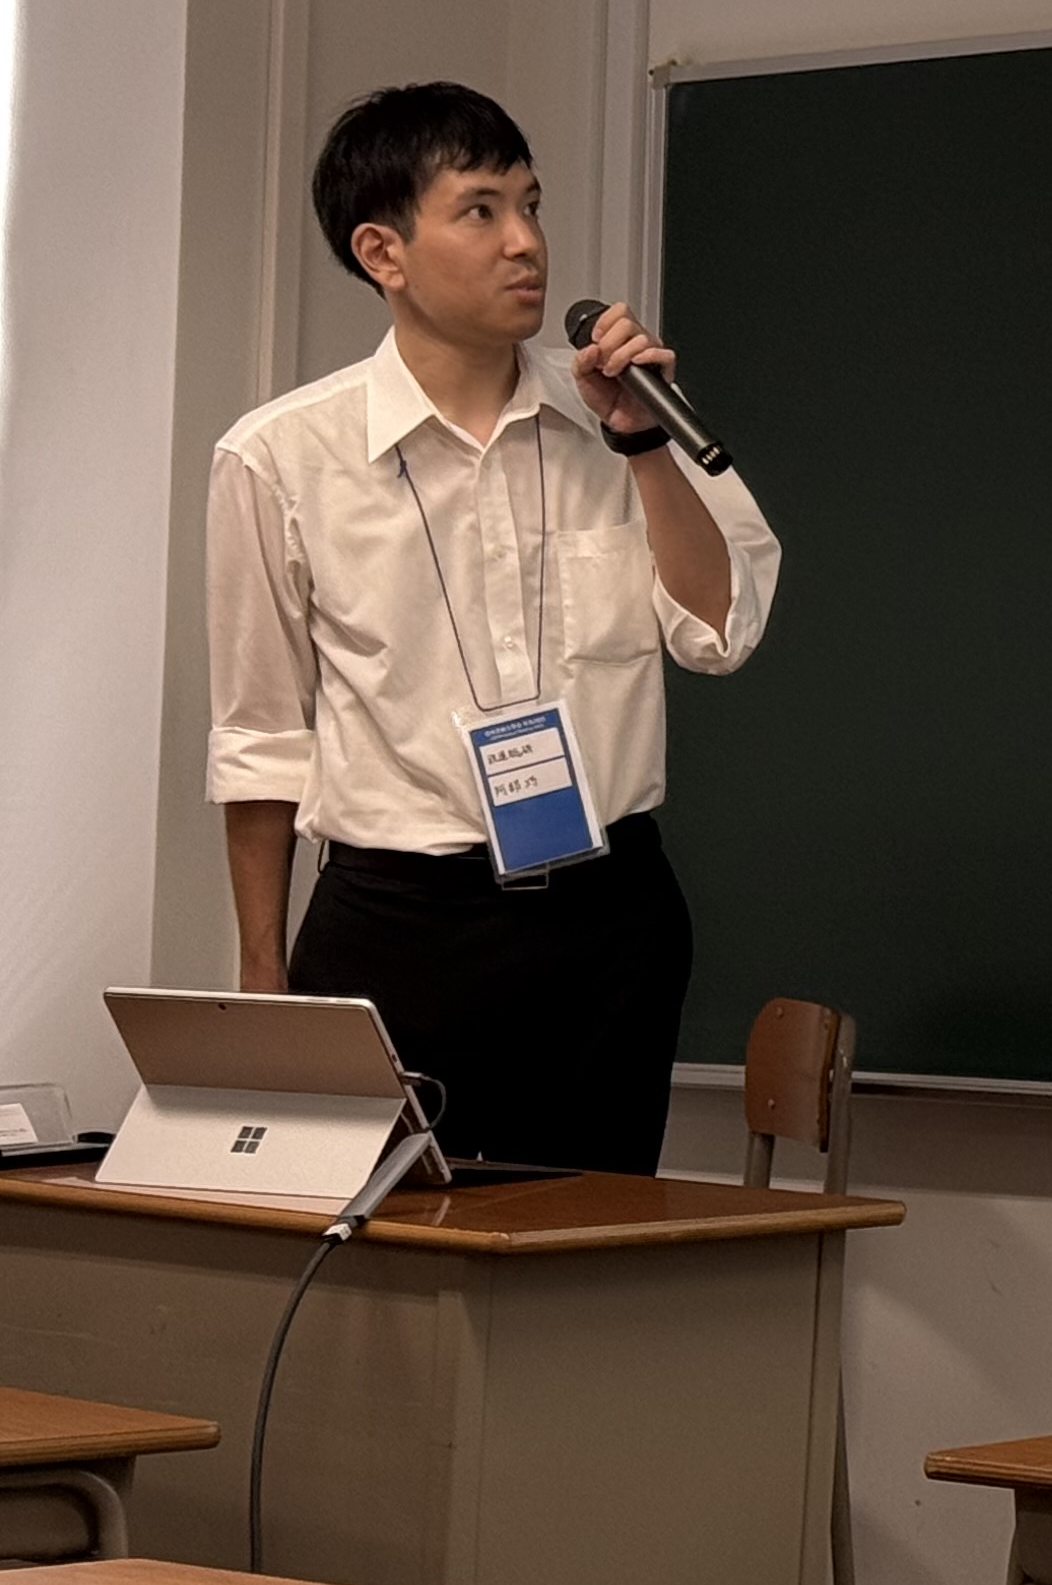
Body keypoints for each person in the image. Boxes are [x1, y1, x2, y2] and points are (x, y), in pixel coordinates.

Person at [207, 83, 782, 1172]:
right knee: (381, 1245)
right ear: (383, 251)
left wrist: (641, 447)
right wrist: (262, 979)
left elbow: (720, 632)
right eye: (481, 210)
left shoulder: (623, 417)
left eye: (532, 204)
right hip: (397, 925)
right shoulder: (279, 457)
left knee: (586, 1245)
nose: (526, 242)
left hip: (610, 924)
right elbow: (261, 736)